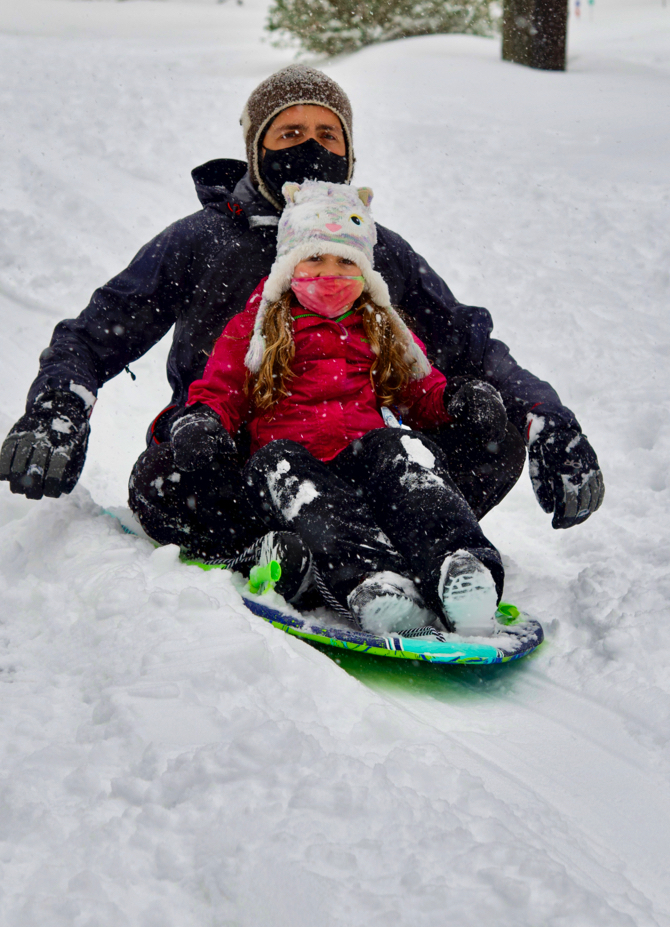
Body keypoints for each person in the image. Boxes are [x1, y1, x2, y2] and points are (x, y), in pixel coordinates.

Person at [0, 65, 603, 533]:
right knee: (164, 481)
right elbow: (96, 333)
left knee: (485, 428)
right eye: (290, 132)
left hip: (360, 456)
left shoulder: (374, 255)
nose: (309, 146)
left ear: (349, 155)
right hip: (230, 460)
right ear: (260, 149)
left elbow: (470, 347)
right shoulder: (202, 239)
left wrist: (547, 418)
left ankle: (397, 533)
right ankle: (281, 548)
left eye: (325, 134)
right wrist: (60, 406)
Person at [134, 179, 505, 636]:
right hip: (288, 461)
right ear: (290, 264)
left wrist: (458, 399)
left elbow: (421, 389)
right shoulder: (259, 324)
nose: (330, 273)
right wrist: (201, 420)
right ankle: (374, 582)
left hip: (360, 457)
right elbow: (222, 390)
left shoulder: (381, 325)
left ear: (365, 271)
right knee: (286, 470)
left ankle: (460, 566)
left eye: (345, 261)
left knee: (405, 452)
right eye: (314, 258)